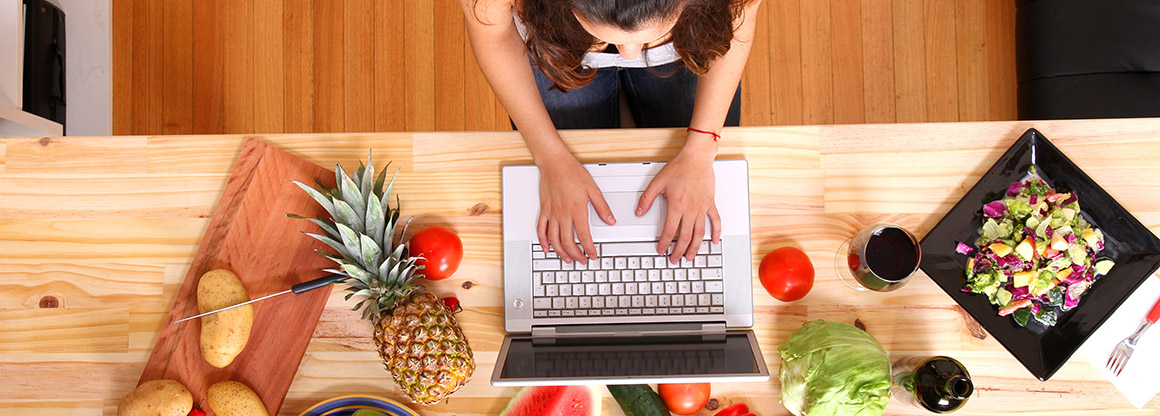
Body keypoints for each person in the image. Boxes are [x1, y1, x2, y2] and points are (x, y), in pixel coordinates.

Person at [462, 0, 761, 265]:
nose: (629, 56)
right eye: (612, 37)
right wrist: (549, 157)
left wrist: (701, 149)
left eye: (645, 38)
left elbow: (739, 14)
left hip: (686, 37)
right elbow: (494, 33)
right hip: (554, 33)